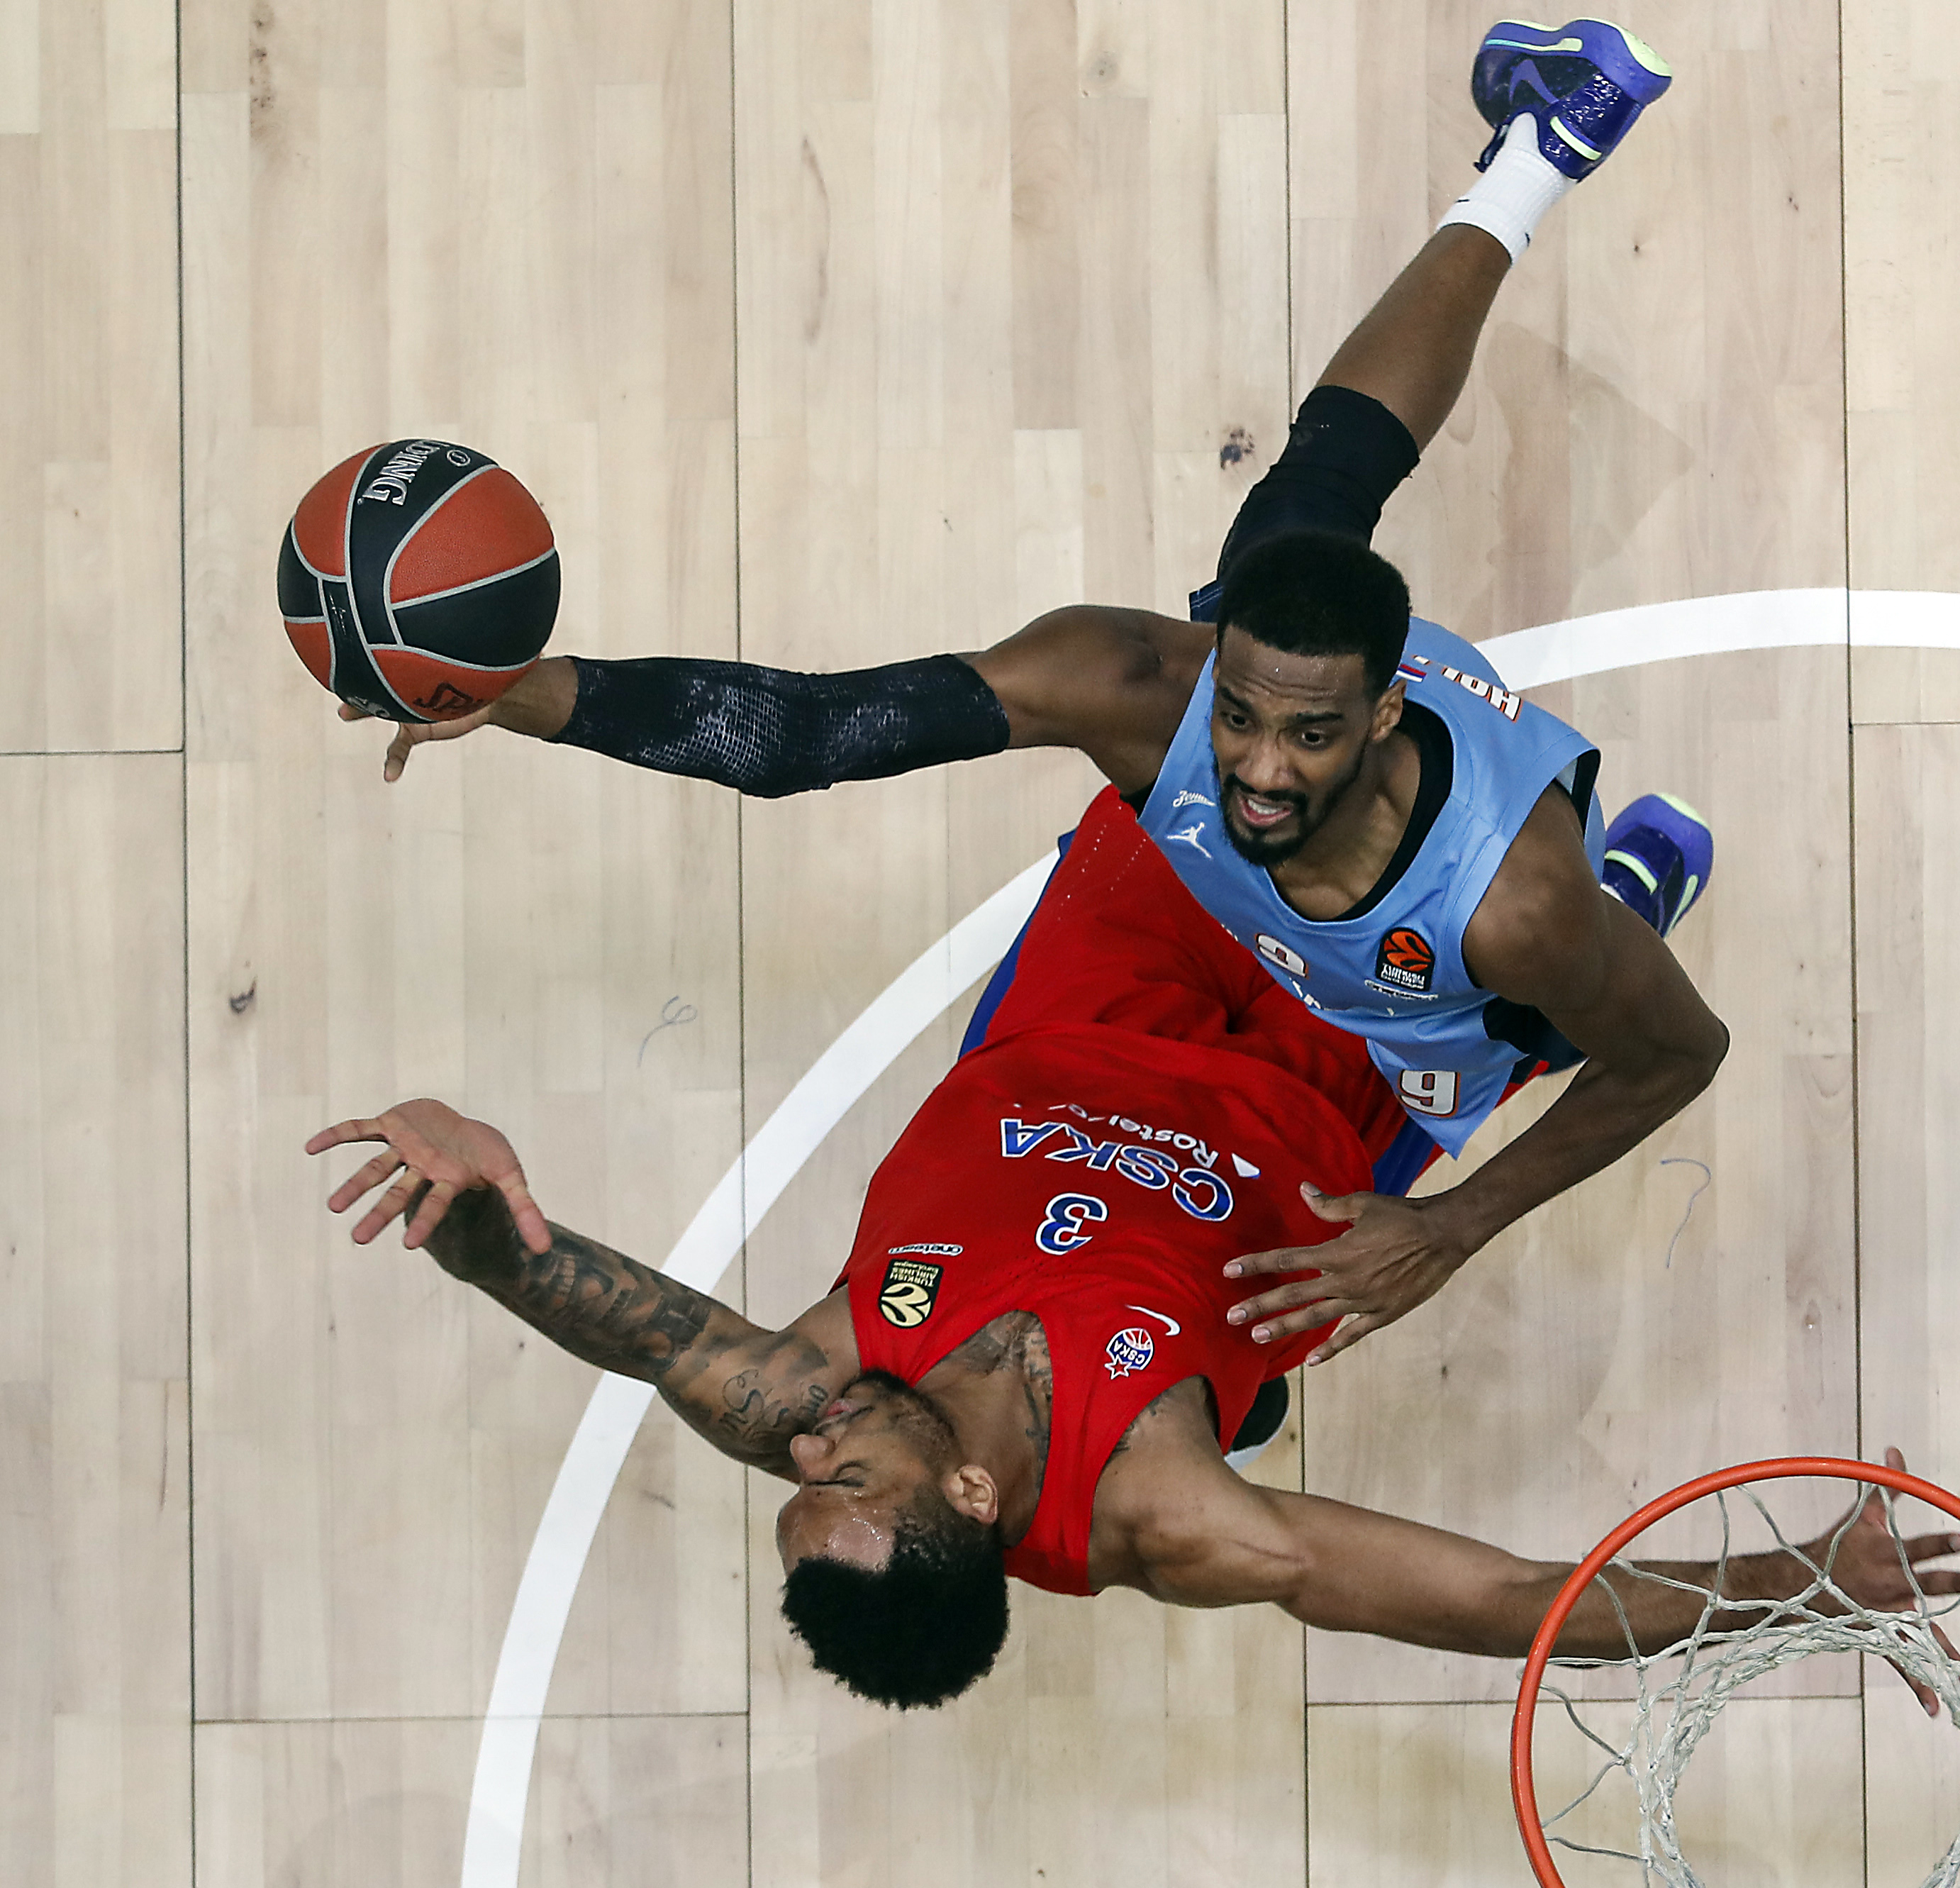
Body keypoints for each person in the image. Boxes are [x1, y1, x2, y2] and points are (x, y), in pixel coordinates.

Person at [338, 19, 1730, 1360]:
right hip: (1340, 828)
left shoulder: (1508, 901)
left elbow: (1680, 1060)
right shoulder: (1152, 688)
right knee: (1303, 509)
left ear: (1376, 719)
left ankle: (1629, 908)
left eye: (1304, 736)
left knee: (1553, 1015)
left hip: (1436, 989)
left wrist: (1452, 1226)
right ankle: (1547, 141)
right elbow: (802, 735)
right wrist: (516, 690)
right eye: (1236, 716)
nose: (1249, 767)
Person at [308, 787, 1958, 1707]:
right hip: (1317, 1113)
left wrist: (464, 1211)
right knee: (1514, 942)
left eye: (799, 1462)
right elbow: (1511, 1601)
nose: (805, 1432)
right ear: (970, 1501)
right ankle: (1571, 962)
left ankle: (1545, 953)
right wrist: (1808, 1580)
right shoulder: (1171, 1514)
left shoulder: (811, 1393)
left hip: (1081, 1008)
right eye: (846, 1474)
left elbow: (608, 1314)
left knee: (1222, 731)